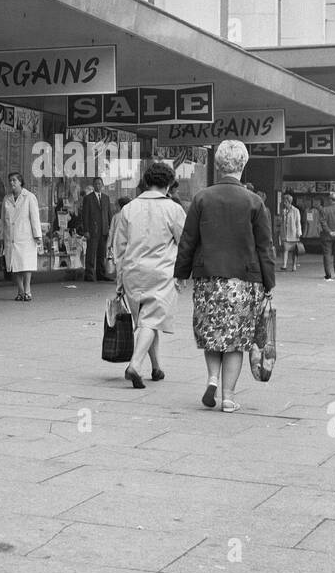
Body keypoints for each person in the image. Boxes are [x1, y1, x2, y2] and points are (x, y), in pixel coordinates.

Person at [174, 140, 276, 414]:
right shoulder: (255, 202)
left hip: (208, 279)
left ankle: (211, 379)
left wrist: (180, 274)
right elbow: (264, 247)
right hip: (242, 282)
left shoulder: (202, 198)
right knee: (235, 341)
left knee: (212, 334)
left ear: (218, 166)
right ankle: (228, 397)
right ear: (243, 165)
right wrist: (269, 283)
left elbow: (188, 240)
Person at [111, 162, 189, 388]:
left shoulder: (128, 208)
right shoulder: (173, 209)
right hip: (162, 273)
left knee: (147, 320)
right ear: (168, 185)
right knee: (151, 321)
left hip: (132, 272)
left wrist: (119, 279)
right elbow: (184, 242)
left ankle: (156, 368)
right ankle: (135, 365)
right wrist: (183, 273)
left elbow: (120, 248)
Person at [1, 172, 42, 301]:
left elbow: (34, 217)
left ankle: (27, 290)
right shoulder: (6, 199)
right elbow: (3, 219)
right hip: (11, 237)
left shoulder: (29, 197)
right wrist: (2, 236)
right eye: (10, 180)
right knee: (15, 266)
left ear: (20, 182)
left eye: (14, 180)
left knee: (26, 265)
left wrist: (37, 235)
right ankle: (20, 290)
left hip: (25, 236)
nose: (11, 183)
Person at [79, 177, 113, 282]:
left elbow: (109, 214)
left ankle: (101, 274)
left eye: (99, 184)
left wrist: (110, 228)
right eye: (96, 184)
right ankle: (89, 275)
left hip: (103, 230)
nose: (98, 185)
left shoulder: (106, 198)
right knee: (91, 253)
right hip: (92, 230)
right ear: (93, 185)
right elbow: (85, 215)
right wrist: (86, 230)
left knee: (101, 253)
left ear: (102, 185)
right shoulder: (88, 198)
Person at [278, 193, 303, 271]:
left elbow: (298, 222)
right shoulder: (284, 211)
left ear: (289, 202)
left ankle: (294, 265)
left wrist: (299, 232)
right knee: (285, 249)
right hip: (285, 233)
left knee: (294, 251)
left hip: (294, 233)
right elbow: (282, 222)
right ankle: (284, 265)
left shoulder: (296, 211)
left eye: (285, 202)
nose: (284, 203)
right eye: (284, 202)